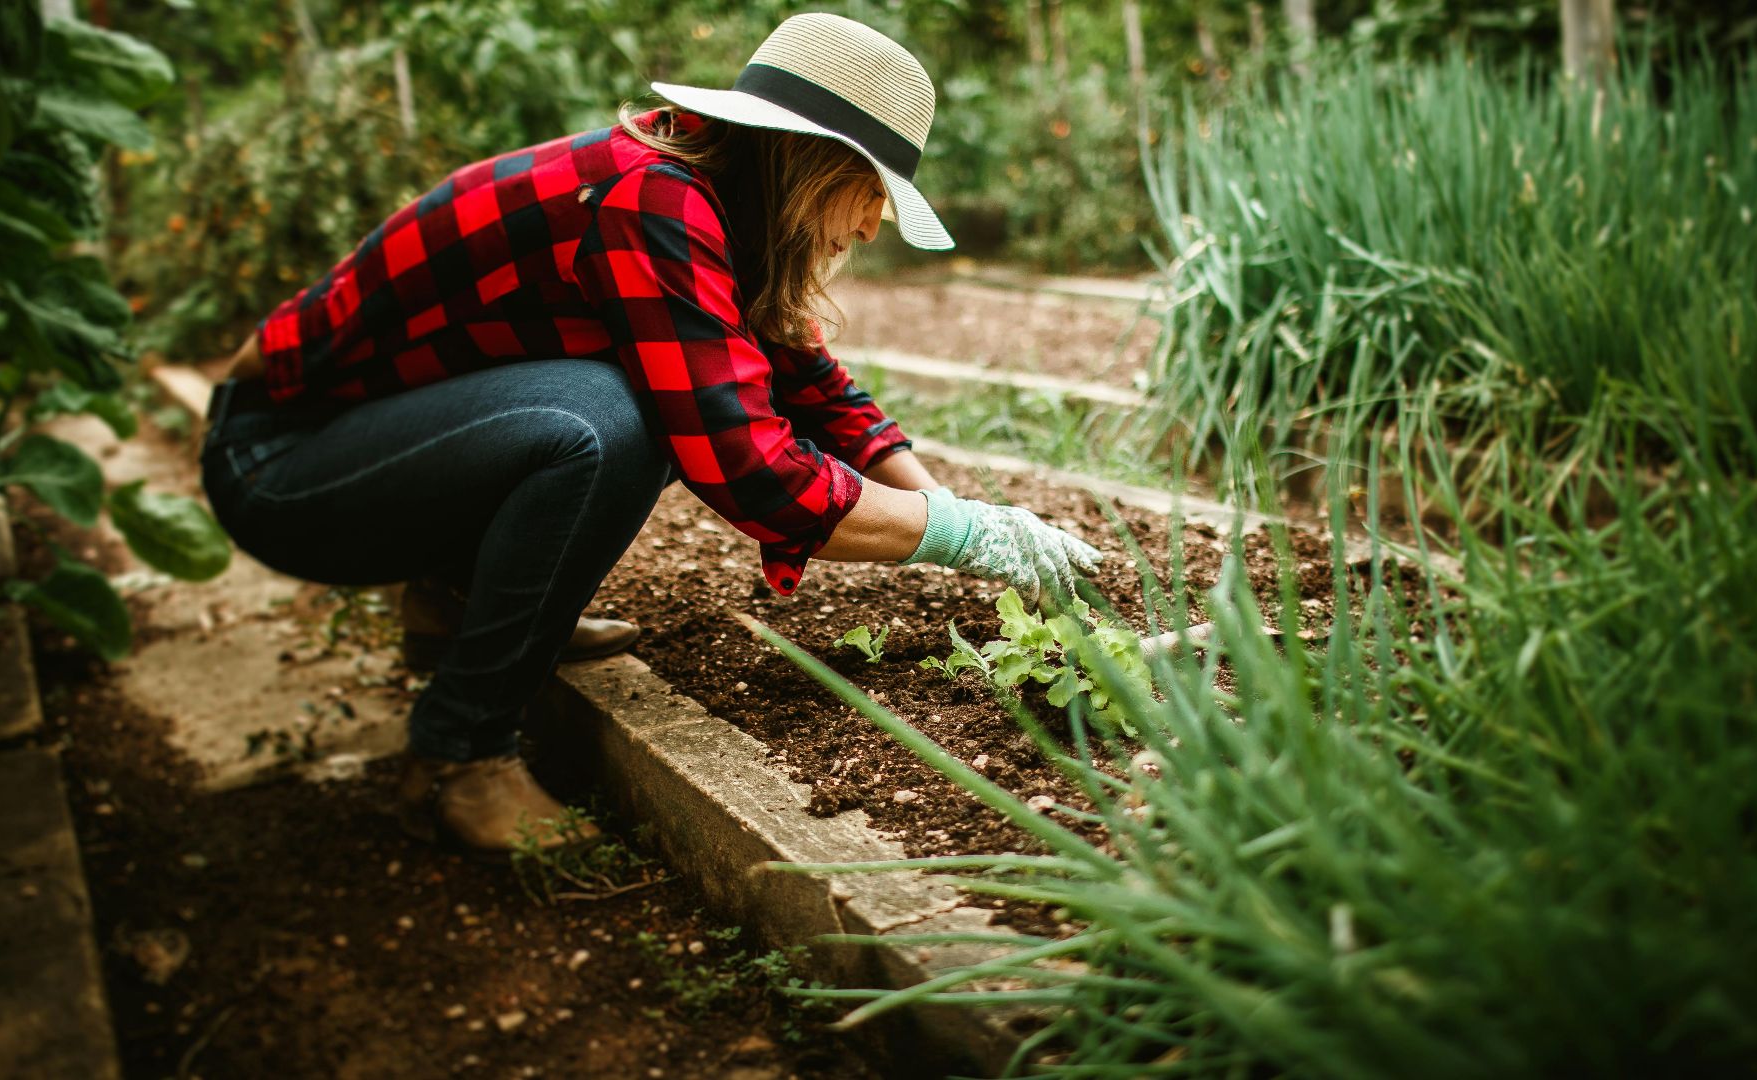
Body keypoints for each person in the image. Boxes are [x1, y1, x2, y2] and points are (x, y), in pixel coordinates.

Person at [200, 13, 1103, 855]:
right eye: (869, 193)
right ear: (809, 164)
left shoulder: (716, 204)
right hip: (282, 464)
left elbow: (819, 391)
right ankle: (459, 754)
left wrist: (961, 513)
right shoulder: (650, 201)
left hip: (376, 448)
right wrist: (966, 537)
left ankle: (458, 603)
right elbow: (753, 469)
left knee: (649, 395)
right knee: (608, 424)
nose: (870, 225)